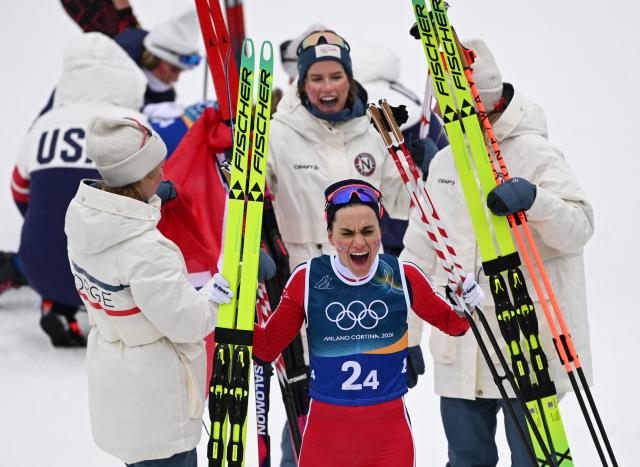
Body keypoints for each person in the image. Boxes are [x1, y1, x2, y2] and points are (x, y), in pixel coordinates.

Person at [400, 38, 594, 466]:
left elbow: (579, 229)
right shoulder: (445, 163)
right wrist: (407, 336)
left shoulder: (536, 152)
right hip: (461, 344)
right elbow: (419, 255)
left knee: (534, 459)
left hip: (526, 344)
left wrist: (535, 199)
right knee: (467, 459)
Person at [209, 179, 484, 467]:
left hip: (388, 438)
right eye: (346, 233)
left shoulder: (402, 276)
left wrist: (469, 301)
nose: (358, 242)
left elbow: (455, 324)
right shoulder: (308, 278)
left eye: (368, 231)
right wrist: (224, 309)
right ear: (330, 236)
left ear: (380, 232)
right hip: (327, 437)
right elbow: (266, 348)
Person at [269, 28, 413, 465]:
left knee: (372, 395)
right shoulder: (279, 132)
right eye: (316, 77)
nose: (327, 87)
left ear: (349, 77)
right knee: (304, 391)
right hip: (305, 272)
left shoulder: (374, 129)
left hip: (367, 280)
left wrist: (419, 160)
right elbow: (255, 194)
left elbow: (402, 203)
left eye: (336, 76)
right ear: (301, 81)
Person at [64, 115, 218, 466]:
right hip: (159, 396)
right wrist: (219, 291)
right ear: (133, 180)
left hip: (119, 382)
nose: (163, 176)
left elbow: (119, 239)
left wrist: (152, 204)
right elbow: (189, 322)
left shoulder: (83, 220)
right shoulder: (147, 250)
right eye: (153, 173)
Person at [8, 32, 148, 347]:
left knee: (54, 235)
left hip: (41, 270)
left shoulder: (43, 126)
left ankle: (55, 305)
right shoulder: (134, 126)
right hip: (105, 278)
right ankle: (121, 317)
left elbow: (20, 193)